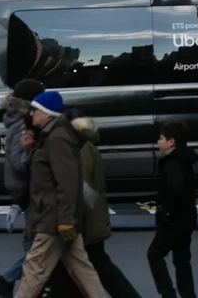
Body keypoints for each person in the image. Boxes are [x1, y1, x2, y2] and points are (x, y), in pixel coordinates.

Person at [14, 90, 106, 298]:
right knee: (82, 270)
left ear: (48, 114)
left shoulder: (57, 139)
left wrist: (64, 219)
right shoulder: (53, 135)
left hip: (53, 217)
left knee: (34, 268)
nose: (32, 114)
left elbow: (67, 182)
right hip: (57, 215)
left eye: (36, 110)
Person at [70, 115, 140, 298]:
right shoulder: (89, 147)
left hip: (88, 219)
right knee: (97, 266)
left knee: (100, 267)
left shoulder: (83, 148)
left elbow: (82, 184)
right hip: (93, 216)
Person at [0, 79, 46, 296]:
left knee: (40, 246)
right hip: (28, 188)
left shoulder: (18, 121)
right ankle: (8, 279)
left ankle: (14, 281)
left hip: (27, 190)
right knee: (39, 247)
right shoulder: (24, 124)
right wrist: (36, 153)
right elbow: (18, 161)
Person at [145, 121, 198, 298]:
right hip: (187, 218)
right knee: (182, 260)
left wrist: (165, 212)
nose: (158, 142)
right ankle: (188, 295)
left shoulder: (172, 163)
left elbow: (175, 190)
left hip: (174, 220)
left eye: (161, 138)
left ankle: (168, 294)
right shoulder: (184, 160)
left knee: (154, 254)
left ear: (171, 141)